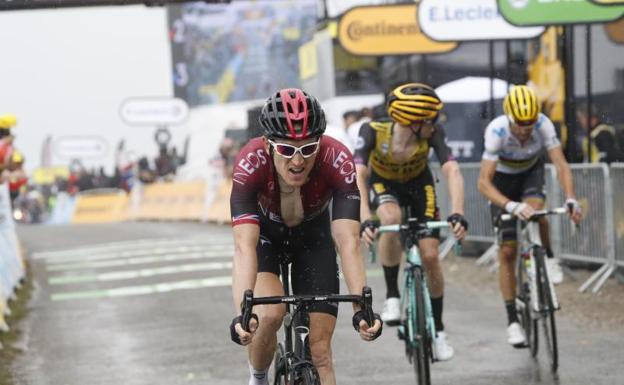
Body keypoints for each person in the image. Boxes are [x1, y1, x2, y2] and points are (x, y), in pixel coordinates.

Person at [229, 88, 382, 385]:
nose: (298, 161)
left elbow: (348, 242)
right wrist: (242, 314)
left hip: (313, 239)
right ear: (268, 145)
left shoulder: (337, 158)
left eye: (308, 148)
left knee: (321, 353)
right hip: (266, 240)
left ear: (320, 143)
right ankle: (258, 378)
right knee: (270, 315)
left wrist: (361, 309)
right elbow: (243, 247)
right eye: (287, 150)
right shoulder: (250, 162)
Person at [355, 83, 468, 361]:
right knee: (390, 219)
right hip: (385, 185)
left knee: (430, 255)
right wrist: (365, 218)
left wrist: (457, 212)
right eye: (431, 120)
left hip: (420, 185)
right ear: (413, 122)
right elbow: (358, 175)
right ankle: (392, 295)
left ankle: (439, 331)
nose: (436, 125)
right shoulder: (372, 130)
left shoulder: (432, 134)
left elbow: (451, 170)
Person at [477, 85, 582, 347]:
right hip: (501, 183)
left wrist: (570, 197)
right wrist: (510, 206)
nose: (526, 128)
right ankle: (513, 320)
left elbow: (560, 164)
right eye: (520, 123)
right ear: (510, 118)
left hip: (529, 173)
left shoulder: (543, 125)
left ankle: (548, 257)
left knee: (536, 211)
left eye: (530, 122)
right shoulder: (496, 131)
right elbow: (483, 183)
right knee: (508, 252)